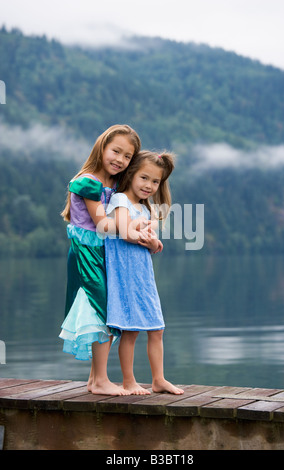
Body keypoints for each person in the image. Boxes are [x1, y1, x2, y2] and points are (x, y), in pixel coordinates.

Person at [59, 124, 150, 396]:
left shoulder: (114, 185)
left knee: (108, 311)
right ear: (102, 147)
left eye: (127, 157)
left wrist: (141, 226)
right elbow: (101, 223)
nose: (119, 160)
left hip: (106, 253)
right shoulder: (88, 181)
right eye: (116, 151)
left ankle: (94, 380)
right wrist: (131, 230)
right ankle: (100, 380)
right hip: (87, 253)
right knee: (99, 309)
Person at [105, 150, 184, 395]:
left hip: (143, 276)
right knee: (130, 330)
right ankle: (128, 381)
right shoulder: (120, 201)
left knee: (157, 328)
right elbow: (126, 233)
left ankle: (158, 379)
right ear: (131, 175)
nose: (149, 186)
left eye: (155, 181)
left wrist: (153, 242)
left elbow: (152, 245)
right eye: (144, 178)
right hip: (124, 275)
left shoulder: (145, 209)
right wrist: (144, 232)